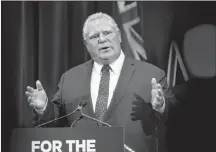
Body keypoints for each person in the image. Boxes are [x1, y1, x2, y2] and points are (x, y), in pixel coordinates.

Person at [25, 12, 176, 152]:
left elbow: (174, 116)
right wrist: (44, 108)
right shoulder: (69, 78)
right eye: (94, 36)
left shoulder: (151, 74)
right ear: (86, 44)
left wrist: (160, 106)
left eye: (107, 33)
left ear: (119, 36)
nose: (102, 39)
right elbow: (56, 124)